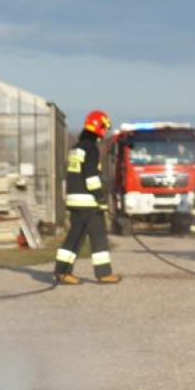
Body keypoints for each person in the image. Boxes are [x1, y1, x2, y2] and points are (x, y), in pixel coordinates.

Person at [54, 110, 121, 284]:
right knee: (87, 236)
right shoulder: (91, 148)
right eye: (104, 128)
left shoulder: (76, 148)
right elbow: (91, 177)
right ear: (98, 127)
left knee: (85, 235)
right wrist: (100, 197)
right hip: (87, 201)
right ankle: (68, 272)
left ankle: (68, 271)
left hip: (75, 199)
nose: (105, 132)